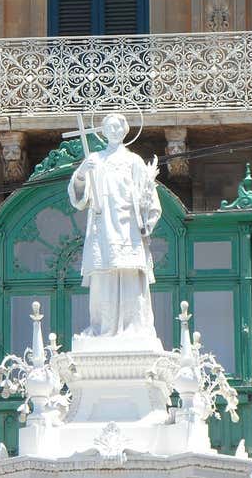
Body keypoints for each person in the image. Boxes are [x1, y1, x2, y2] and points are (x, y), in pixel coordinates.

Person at [68, 113, 162, 344]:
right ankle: (103, 327)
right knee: (103, 277)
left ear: (124, 131)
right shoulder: (95, 160)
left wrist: (147, 222)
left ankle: (133, 327)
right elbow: (80, 197)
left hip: (128, 227)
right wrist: (81, 173)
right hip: (102, 227)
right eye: (108, 126)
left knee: (129, 275)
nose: (113, 131)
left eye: (117, 127)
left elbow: (148, 193)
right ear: (102, 131)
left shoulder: (134, 161)